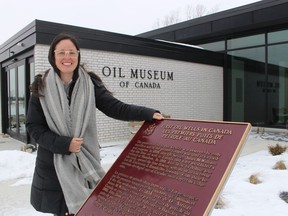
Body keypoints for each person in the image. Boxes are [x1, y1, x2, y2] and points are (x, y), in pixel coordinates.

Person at [26, 33, 164, 216]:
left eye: (72, 52)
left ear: (78, 55)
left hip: (86, 163)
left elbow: (115, 108)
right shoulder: (40, 86)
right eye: (61, 53)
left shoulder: (89, 83)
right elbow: (34, 127)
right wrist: (64, 144)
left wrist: (147, 113)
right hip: (54, 169)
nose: (67, 57)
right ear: (53, 56)